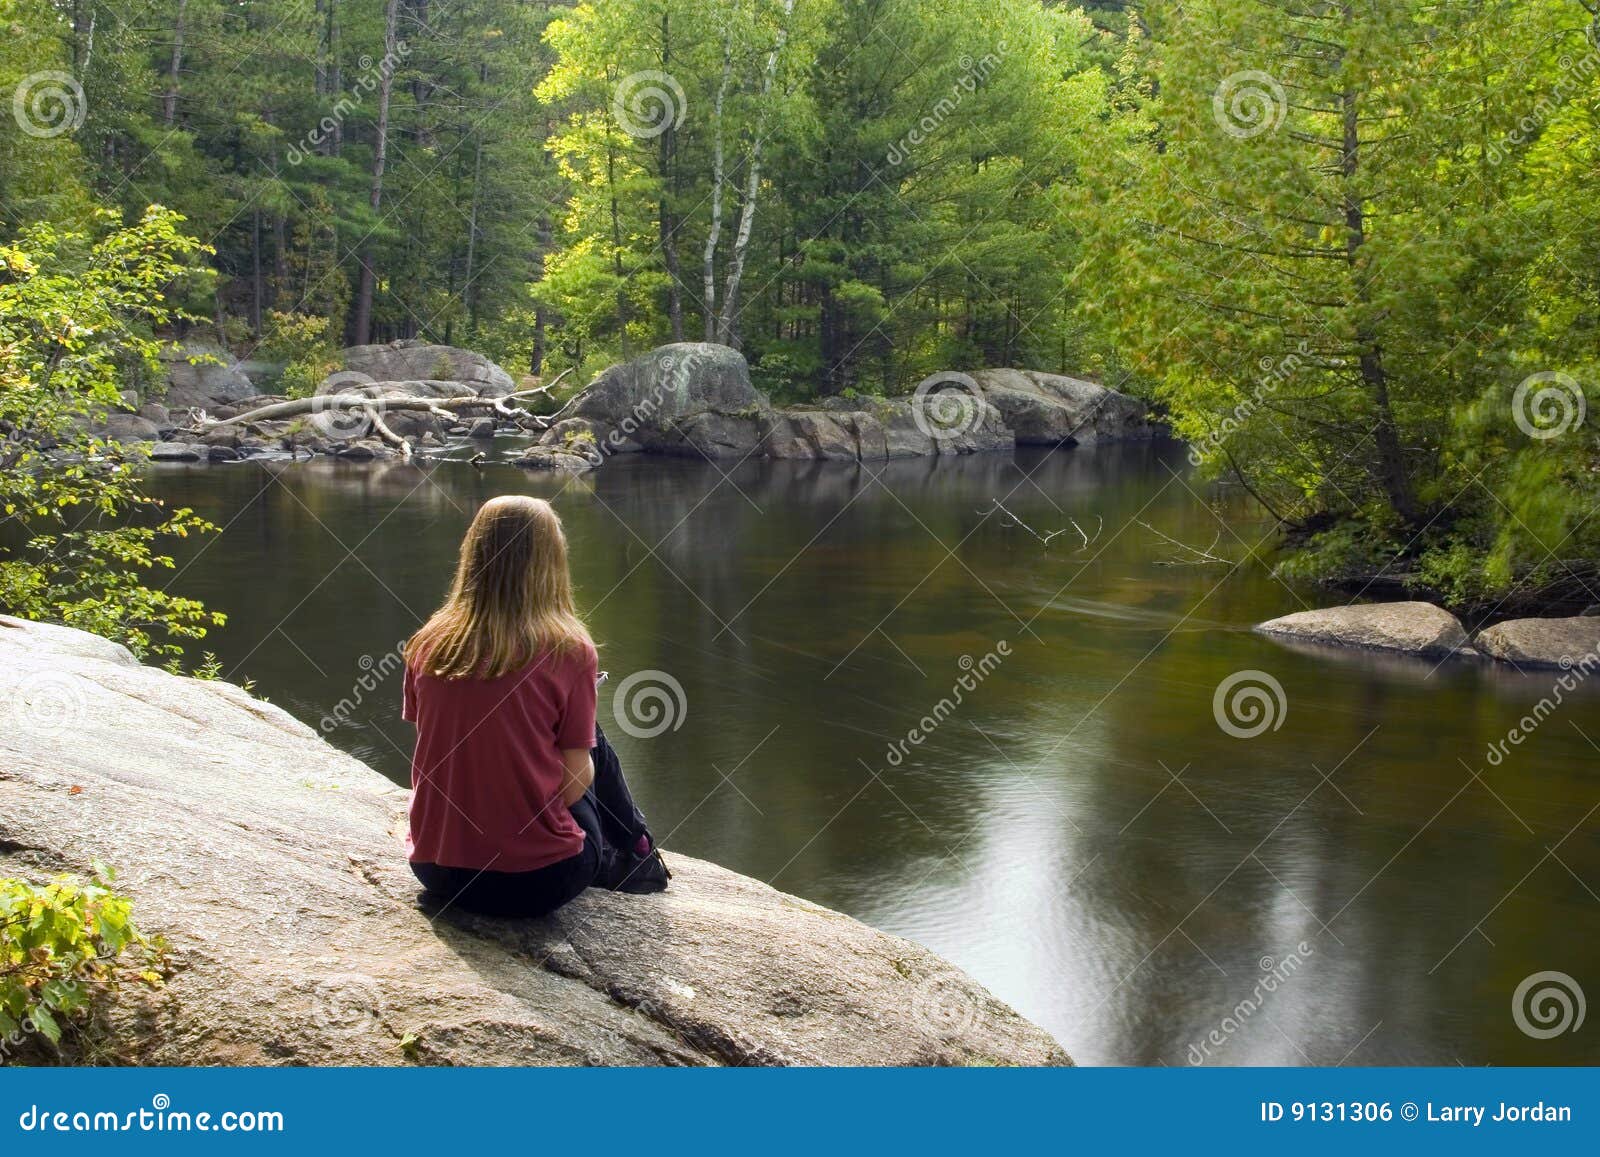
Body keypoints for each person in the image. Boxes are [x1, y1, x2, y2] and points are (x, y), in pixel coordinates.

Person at [401, 495, 668, 917]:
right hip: (538, 882)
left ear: (473, 554)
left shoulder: (429, 643)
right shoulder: (570, 650)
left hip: (437, 872)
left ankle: (633, 845)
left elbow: (442, 750)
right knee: (588, 738)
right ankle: (636, 849)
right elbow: (573, 785)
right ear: (551, 563)